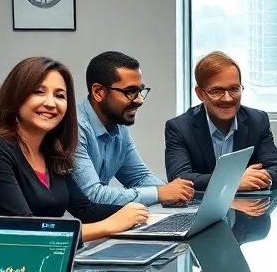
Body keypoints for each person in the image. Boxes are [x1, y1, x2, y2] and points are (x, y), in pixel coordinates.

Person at [0, 57, 149, 242]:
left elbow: (86, 210)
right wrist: (109, 226)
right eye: (39, 92)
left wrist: (140, 215)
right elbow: (24, 230)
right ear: (16, 96)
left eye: (59, 96)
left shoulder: (51, 151)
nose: (51, 103)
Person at [71, 51, 194, 207]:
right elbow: (92, 195)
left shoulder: (118, 126)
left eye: (140, 91)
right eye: (130, 92)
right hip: (72, 227)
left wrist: (174, 192)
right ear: (98, 92)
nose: (140, 100)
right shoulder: (75, 128)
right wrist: (159, 194)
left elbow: (140, 178)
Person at [165, 51, 277, 191]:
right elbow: (179, 179)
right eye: (217, 91)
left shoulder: (258, 121)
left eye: (234, 89)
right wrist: (232, 181)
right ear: (200, 94)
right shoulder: (179, 128)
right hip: (200, 210)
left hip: (250, 209)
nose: (227, 98)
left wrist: (260, 179)